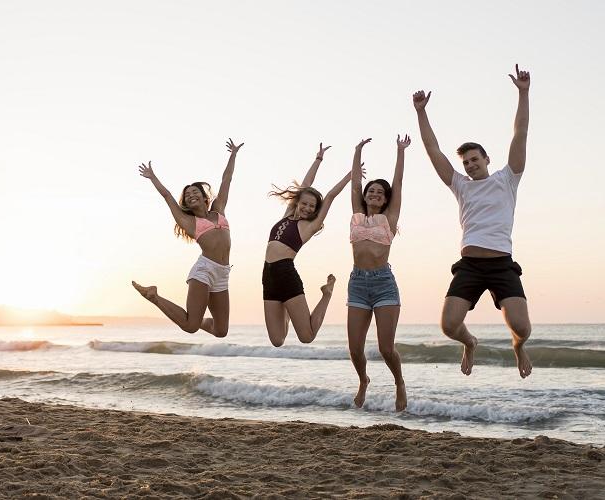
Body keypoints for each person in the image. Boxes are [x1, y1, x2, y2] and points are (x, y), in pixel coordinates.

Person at [413, 64, 533, 379]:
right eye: (465, 162)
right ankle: (470, 342)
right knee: (449, 325)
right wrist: (421, 112)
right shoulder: (460, 185)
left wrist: (523, 93)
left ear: (487, 159)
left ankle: (518, 347)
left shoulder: (507, 179)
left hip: (501, 264)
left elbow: (520, 133)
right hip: (470, 265)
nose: (469, 165)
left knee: (523, 327)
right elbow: (432, 150)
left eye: (474, 159)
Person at [132, 138, 243, 337]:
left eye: (195, 192)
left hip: (223, 273)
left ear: (204, 197)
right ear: (187, 203)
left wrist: (233, 154)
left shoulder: (219, 209)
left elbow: (227, 180)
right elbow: (167, 196)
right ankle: (154, 296)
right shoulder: (189, 222)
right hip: (204, 270)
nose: (191, 195)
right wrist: (152, 176)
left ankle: (194, 316)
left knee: (221, 331)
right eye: (187, 194)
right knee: (190, 326)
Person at [263, 143, 352, 347]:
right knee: (277, 340)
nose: (307, 208)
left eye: (312, 206)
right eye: (304, 203)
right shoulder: (287, 215)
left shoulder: (309, 226)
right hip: (267, 275)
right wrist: (318, 160)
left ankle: (327, 294)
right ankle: (287, 306)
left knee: (307, 336)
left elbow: (330, 196)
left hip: (286, 275)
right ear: (297, 202)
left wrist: (350, 175)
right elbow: (306, 184)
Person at [346, 135, 410, 412]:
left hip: (383, 284)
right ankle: (363, 379)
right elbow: (354, 184)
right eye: (370, 191)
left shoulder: (389, 218)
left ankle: (399, 383)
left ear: (385, 200)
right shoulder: (357, 215)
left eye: (378, 193)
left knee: (386, 348)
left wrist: (400, 151)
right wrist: (357, 151)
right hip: (358, 284)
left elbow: (398, 183)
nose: (373, 194)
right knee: (355, 349)